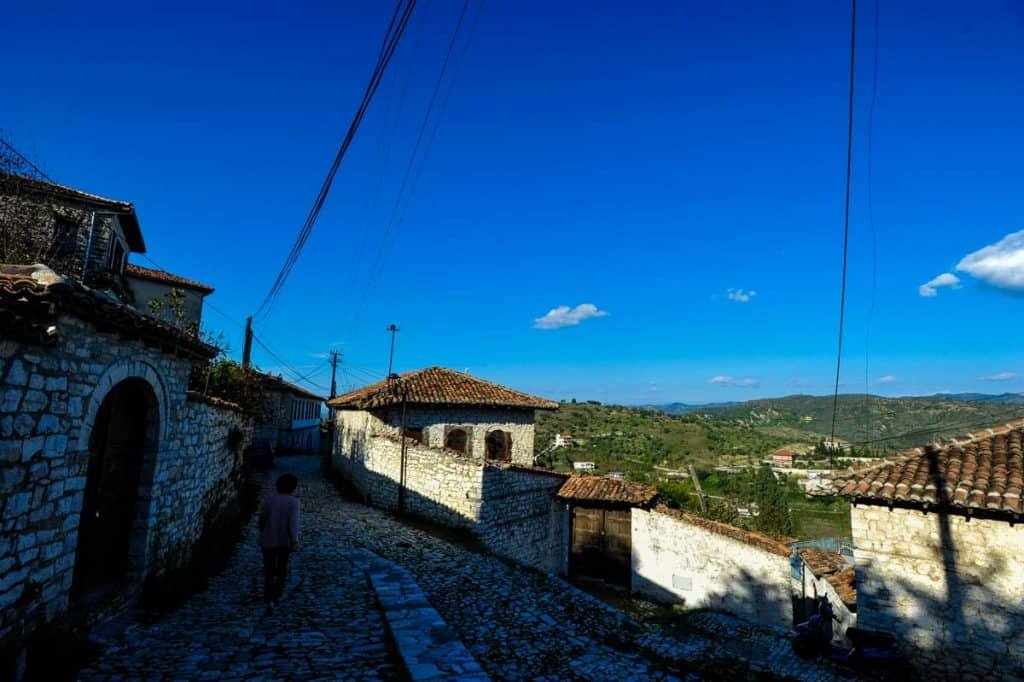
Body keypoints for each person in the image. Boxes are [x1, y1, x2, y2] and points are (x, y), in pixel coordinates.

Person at [258, 473, 300, 610]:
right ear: (293, 487)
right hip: (284, 541)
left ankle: (267, 596)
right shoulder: (293, 502)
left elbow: (262, 518)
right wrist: (294, 540)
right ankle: (278, 594)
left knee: (268, 569)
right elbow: (293, 523)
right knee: (282, 569)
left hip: (268, 539)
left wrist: (261, 529)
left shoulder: (269, 499)